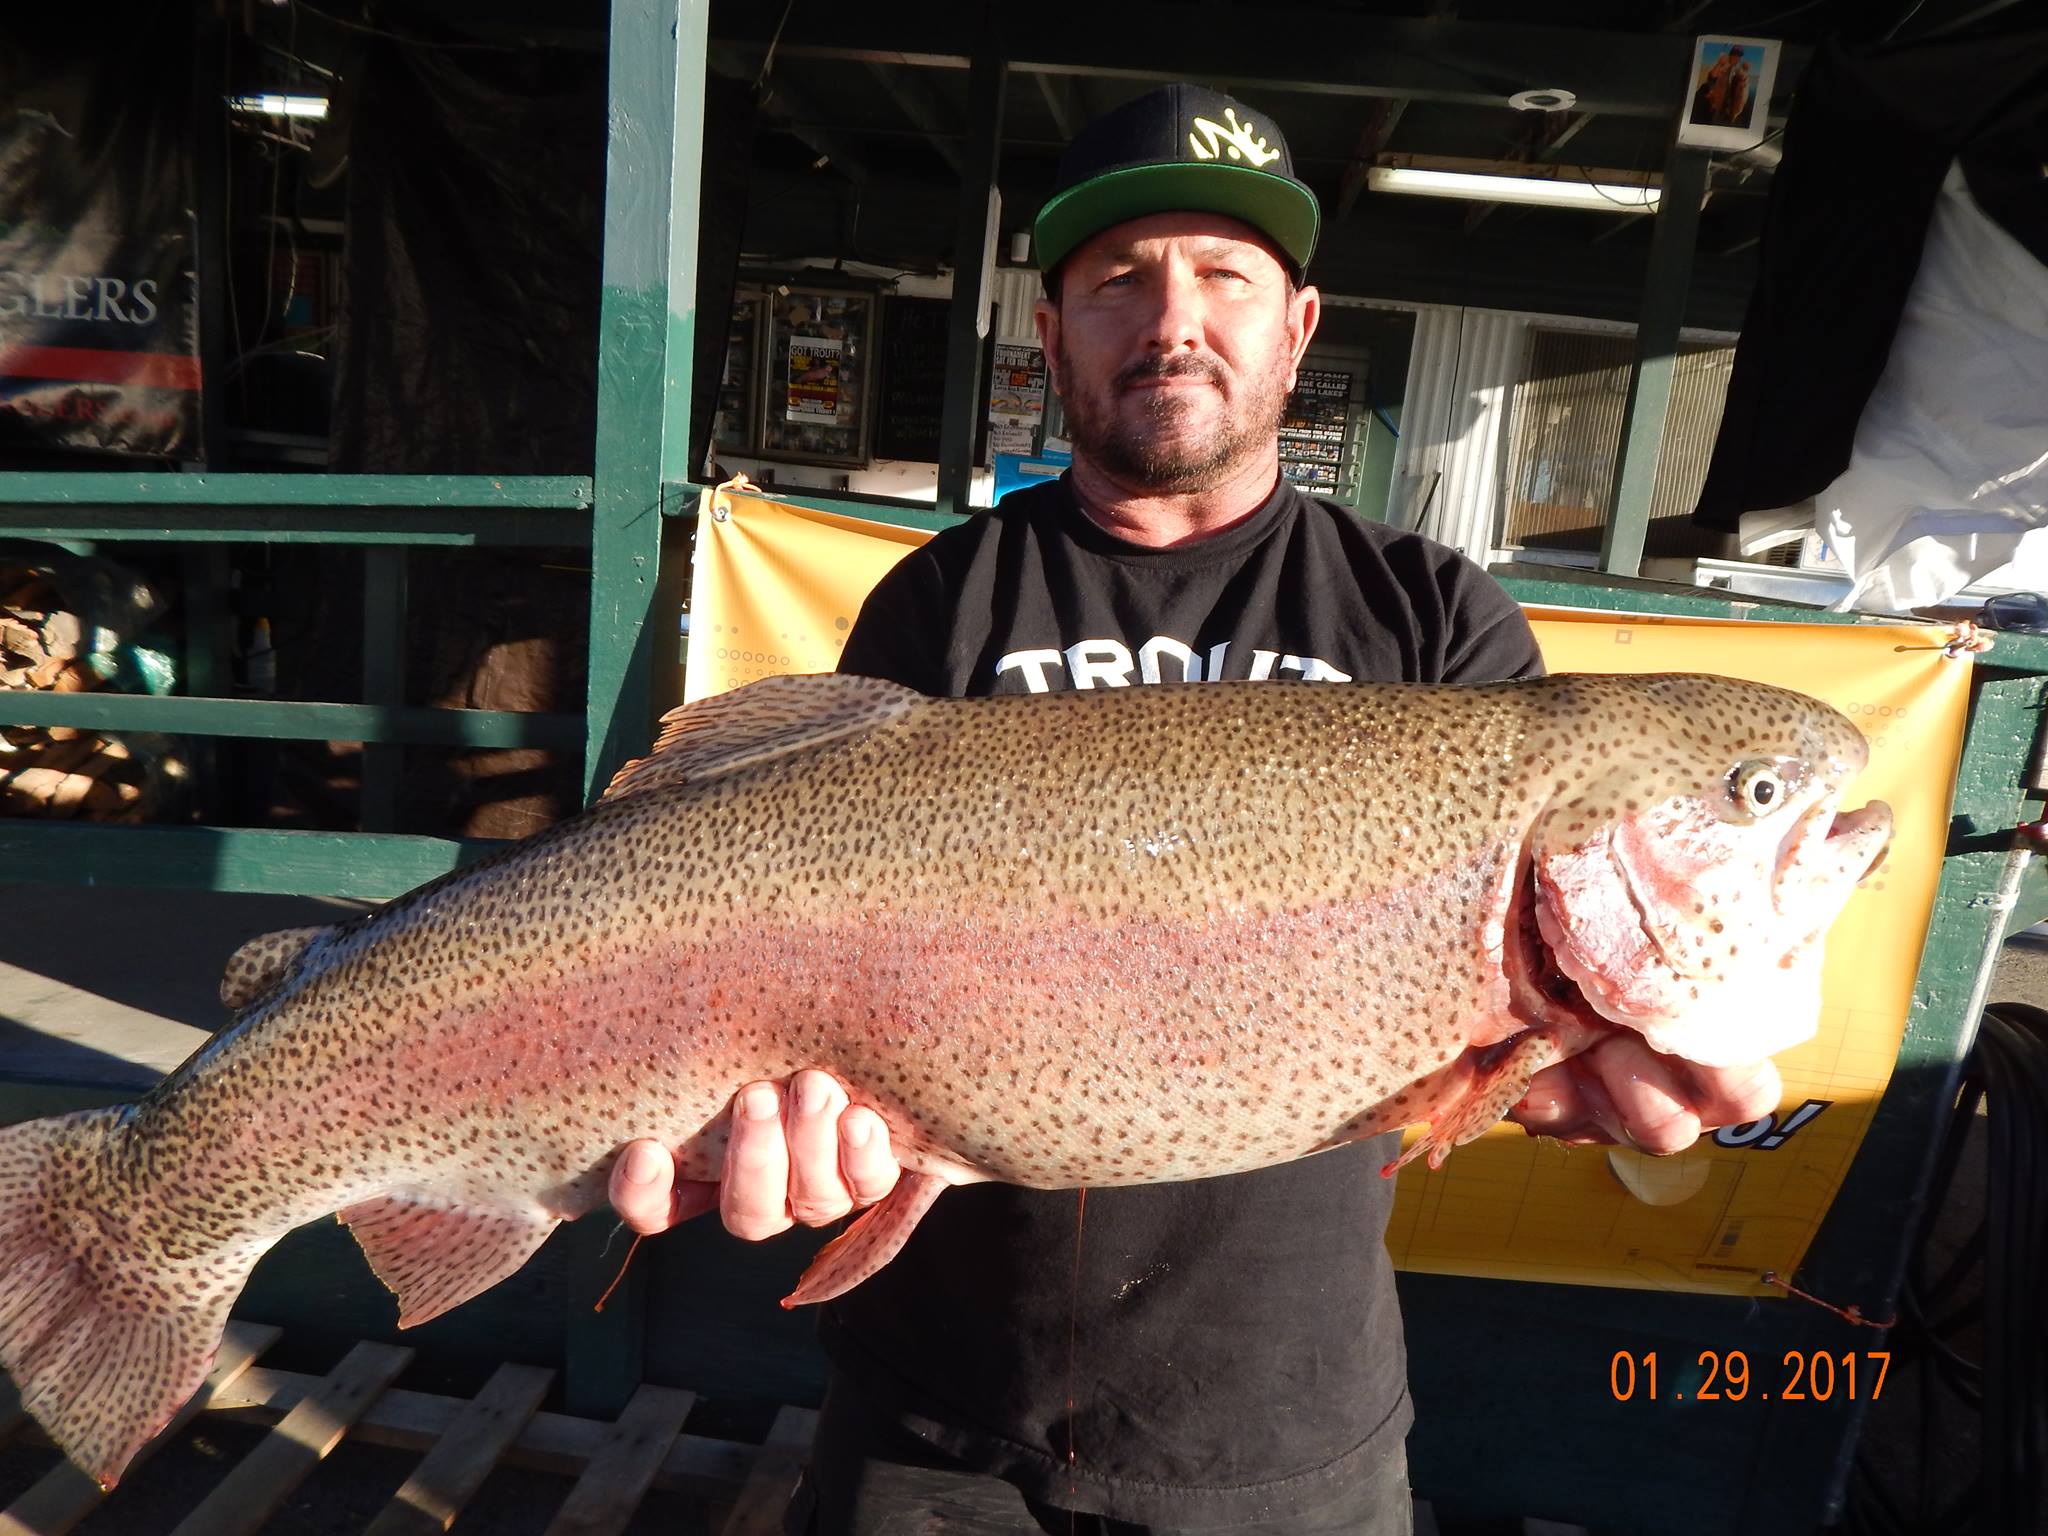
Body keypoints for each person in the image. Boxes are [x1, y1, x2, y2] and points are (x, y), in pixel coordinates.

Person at [611, 83, 1782, 1535]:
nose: (1174, 319)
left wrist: (1604, 1079)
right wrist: (792, 1103)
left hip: (1287, 1424)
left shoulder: (1435, 617)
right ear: (1051, 336)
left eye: (1226, 275)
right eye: (1119, 280)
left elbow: (1526, 1048)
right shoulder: (941, 599)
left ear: (1297, 328)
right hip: (935, 1410)